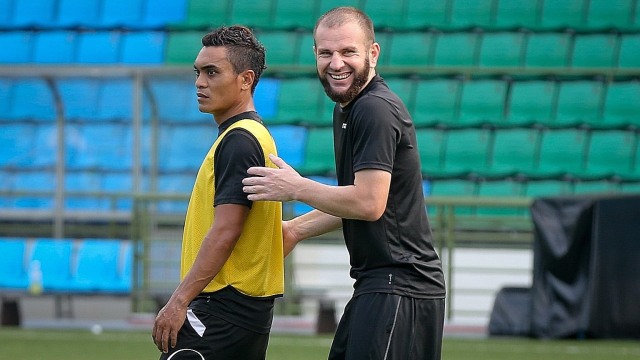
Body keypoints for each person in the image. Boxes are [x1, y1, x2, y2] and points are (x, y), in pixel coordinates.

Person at [242, 7, 446, 360]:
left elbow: (367, 203)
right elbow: (354, 202)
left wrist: (295, 187)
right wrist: (294, 229)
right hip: (378, 286)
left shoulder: (374, 109)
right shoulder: (347, 108)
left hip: (401, 286)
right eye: (326, 53)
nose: (336, 63)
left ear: (373, 53)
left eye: (348, 51)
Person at [152, 25, 284, 360]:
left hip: (220, 308)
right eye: (198, 72)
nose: (200, 82)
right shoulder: (254, 135)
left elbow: (226, 229)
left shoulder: (239, 141)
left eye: (212, 72)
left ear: (246, 79)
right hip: (241, 312)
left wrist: (179, 300)